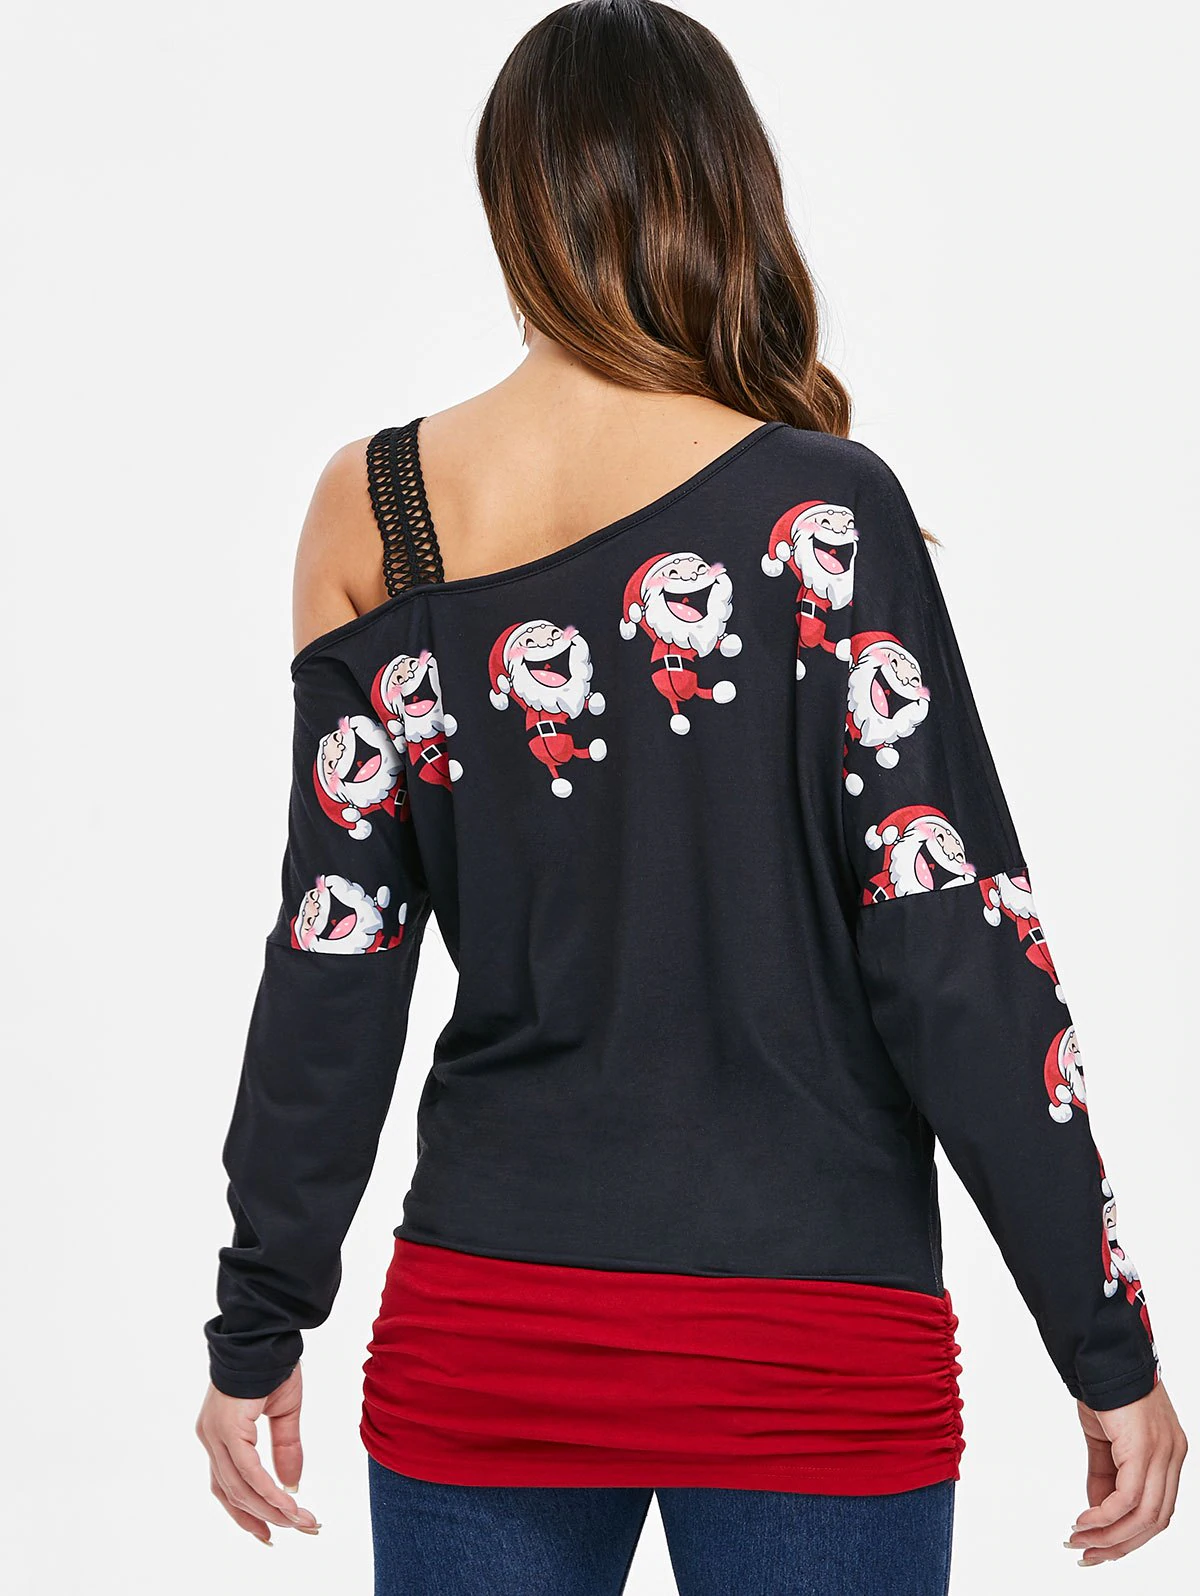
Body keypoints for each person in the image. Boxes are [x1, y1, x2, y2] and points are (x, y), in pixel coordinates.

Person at [194, 3, 1186, 1591]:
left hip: (494, 1324)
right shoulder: (828, 512)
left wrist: (260, 1317)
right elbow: (951, 948)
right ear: (726, 192)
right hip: (814, 1333)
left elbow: (336, 957)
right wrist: (1102, 1333)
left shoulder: (380, 510)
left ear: (515, 200)